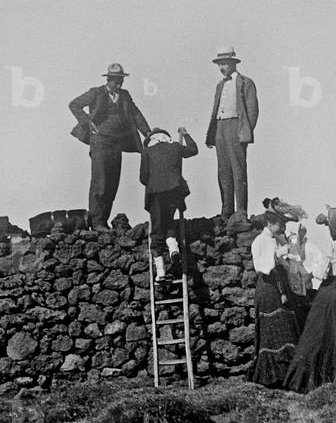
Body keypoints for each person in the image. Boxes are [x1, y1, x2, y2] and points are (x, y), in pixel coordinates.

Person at [283, 206, 336, 394]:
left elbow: (320, 273)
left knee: (317, 333)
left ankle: (312, 378)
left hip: (331, 292)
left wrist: (301, 267)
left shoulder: (333, 247)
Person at [69, 63, 151, 230]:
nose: (118, 83)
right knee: (100, 182)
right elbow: (74, 104)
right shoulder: (96, 92)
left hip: (117, 143)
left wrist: (148, 134)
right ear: (108, 79)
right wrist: (87, 122)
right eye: (115, 80)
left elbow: (136, 115)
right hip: (100, 142)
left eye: (120, 80)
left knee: (113, 183)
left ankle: (103, 221)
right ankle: (96, 221)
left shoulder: (125, 95)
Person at [247, 208, 299, 388]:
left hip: (280, 286)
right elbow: (261, 267)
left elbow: (283, 264)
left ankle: (288, 374)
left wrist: (285, 256)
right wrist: (276, 256)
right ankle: (273, 375)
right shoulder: (259, 242)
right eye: (281, 224)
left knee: (286, 328)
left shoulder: (276, 240)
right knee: (273, 330)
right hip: (268, 288)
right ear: (269, 224)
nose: (283, 227)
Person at [204, 47, 258, 217]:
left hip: (236, 127)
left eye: (225, 63)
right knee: (223, 170)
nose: (222, 67)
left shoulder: (245, 82)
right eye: (219, 64)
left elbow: (252, 111)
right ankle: (226, 210)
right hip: (220, 128)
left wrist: (244, 132)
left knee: (238, 171)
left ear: (233, 63)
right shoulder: (220, 85)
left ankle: (241, 211)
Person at [139, 126, 198, 280]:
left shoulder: (147, 152)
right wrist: (185, 134)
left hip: (155, 193)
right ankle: (173, 247)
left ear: (151, 140)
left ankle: (161, 272)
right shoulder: (175, 147)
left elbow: (143, 178)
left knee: (157, 229)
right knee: (169, 221)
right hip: (174, 191)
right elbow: (193, 150)